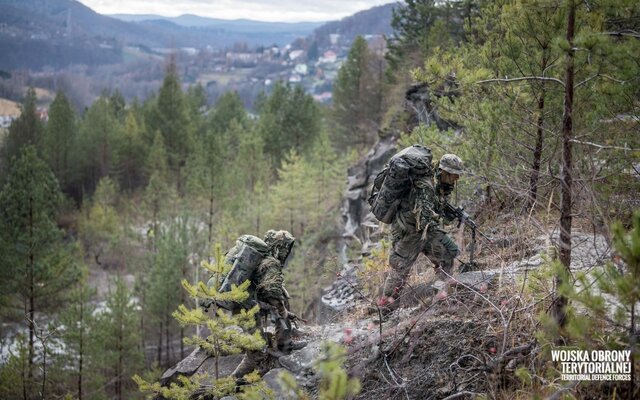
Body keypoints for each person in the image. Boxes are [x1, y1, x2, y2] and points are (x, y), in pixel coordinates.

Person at [381, 153, 464, 307]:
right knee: (401, 269)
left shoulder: (438, 184)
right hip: (409, 231)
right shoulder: (426, 185)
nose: (456, 179)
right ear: (444, 172)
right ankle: (385, 309)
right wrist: (442, 236)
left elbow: (433, 213)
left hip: (422, 230)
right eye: (454, 175)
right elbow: (424, 220)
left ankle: (438, 296)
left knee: (446, 257)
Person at [231, 229, 306, 379]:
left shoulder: (262, 259)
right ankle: (233, 382)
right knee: (256, 351)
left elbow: (267, 292)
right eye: (285, 248)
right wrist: (283, 311)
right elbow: (272, 294)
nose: (286, 252)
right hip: (245, 309)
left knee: (282, 298)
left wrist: (282, 309)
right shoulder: (271, 263)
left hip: (245, 304)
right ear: (279, 247)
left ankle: (284, 344)